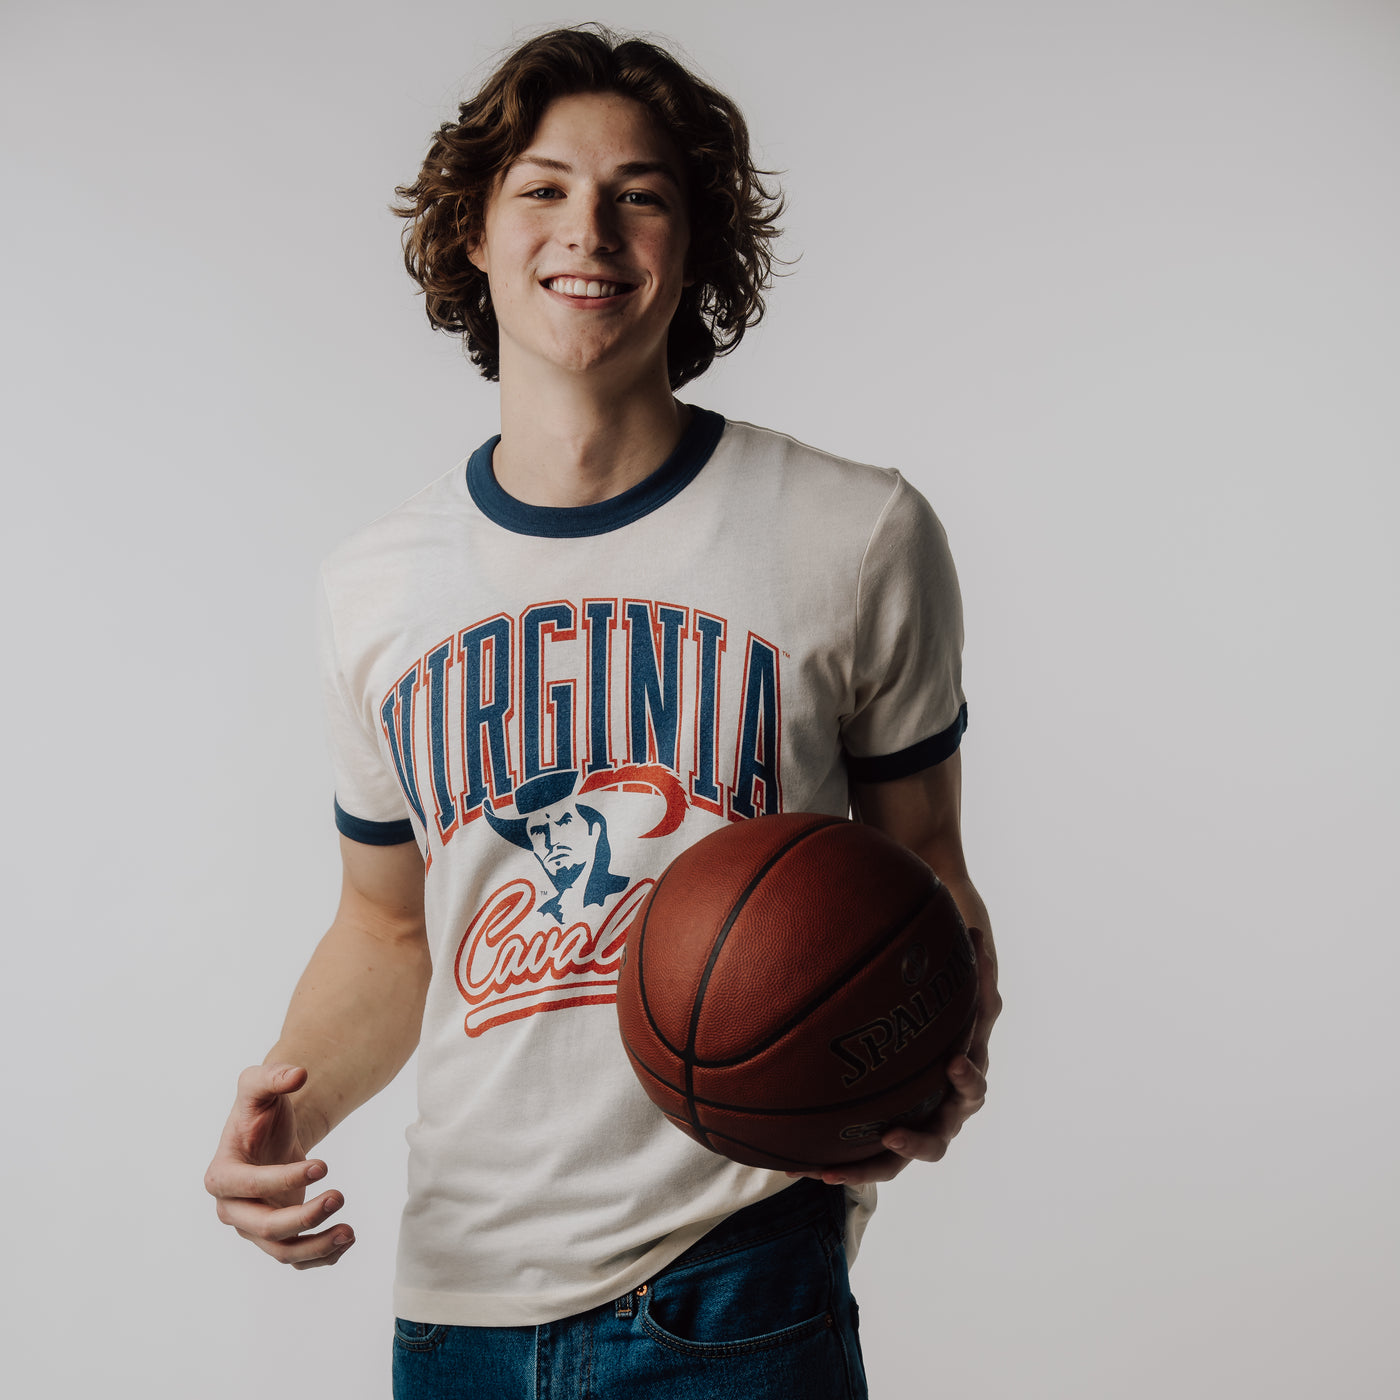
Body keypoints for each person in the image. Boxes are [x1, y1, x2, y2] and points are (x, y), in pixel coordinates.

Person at [205, 23, 1000, 1398]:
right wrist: (290, 1103)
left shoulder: (853, 532)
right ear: (473, 230)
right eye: (545, 187)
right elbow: (387, 929)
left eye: (641, 194)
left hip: (735, 1268)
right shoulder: (374, 589)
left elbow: (926, 868)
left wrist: (937, 1054)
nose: (590, 230)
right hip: (457, 1296)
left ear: (693, 246)